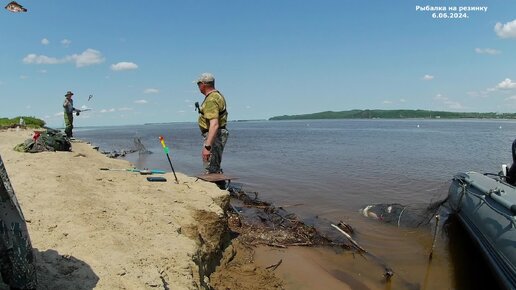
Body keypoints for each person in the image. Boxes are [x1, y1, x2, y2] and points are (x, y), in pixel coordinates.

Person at [195, 73, 229, 174]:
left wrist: (207, 147)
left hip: (214, 135)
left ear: (203, 84)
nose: (198, 87)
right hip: (216, 135)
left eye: (198, 84)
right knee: (214, 164)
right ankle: (218, 184)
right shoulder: (216, 96)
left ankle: (216, 185)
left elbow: (214, 124)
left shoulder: (211, 99)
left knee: (210, 167)